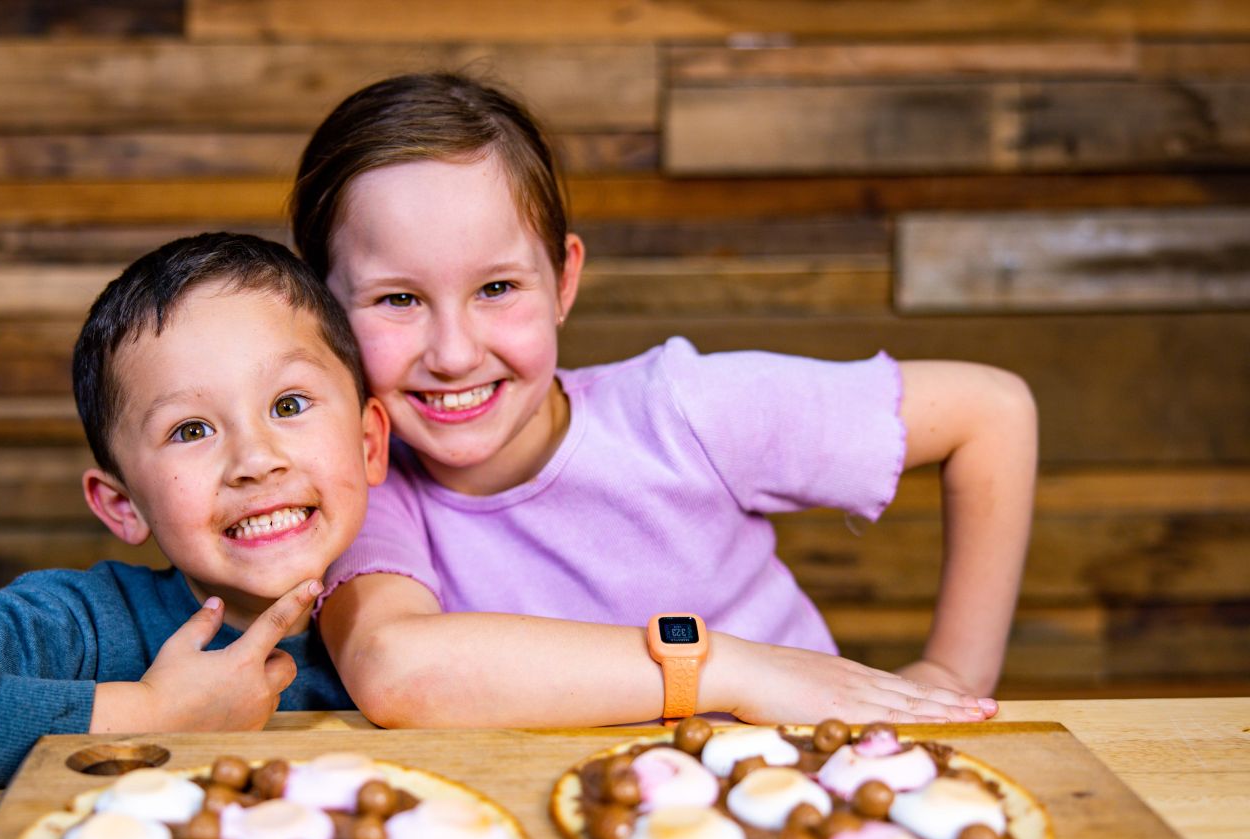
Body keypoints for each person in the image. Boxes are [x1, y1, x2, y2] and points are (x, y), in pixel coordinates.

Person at [294, 73, 1037, 729]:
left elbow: (991, 411)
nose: (454, 353)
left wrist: (953, 672)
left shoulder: (684, 411)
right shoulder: (362, 482)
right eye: (398, 299)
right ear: (320, 313)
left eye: (497, 287)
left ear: (564, 281)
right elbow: (397, 669)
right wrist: (730, 671)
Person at [0, 233, 389, 793]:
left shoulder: (421, 615)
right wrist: (149, 712)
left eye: (289, 404)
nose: (254, 460)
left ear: (368, 444)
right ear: (122, 505)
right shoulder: (85, 624)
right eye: (191, 429)